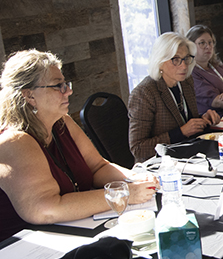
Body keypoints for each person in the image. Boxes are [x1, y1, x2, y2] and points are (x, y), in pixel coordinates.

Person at [0, 50, 158, 241]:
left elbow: (98, 167)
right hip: (27, 253)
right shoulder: (15, 142)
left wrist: (136, 178)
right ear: (29, 96)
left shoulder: (62, 122)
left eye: (65, 84)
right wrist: (125, 194)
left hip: (75, 232)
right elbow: (46, 209)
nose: (68, 91)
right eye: (58, 85)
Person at [128, 32, 221, 163]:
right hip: (161, 164)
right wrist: (181, 133)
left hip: (190, 155)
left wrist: (203, 120)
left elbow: (185, 120)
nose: (184, 66)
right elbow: (138, 148)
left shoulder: (185, 81)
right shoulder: (144, 93)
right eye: (175, 59)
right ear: (160, 62)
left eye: (186, 58)